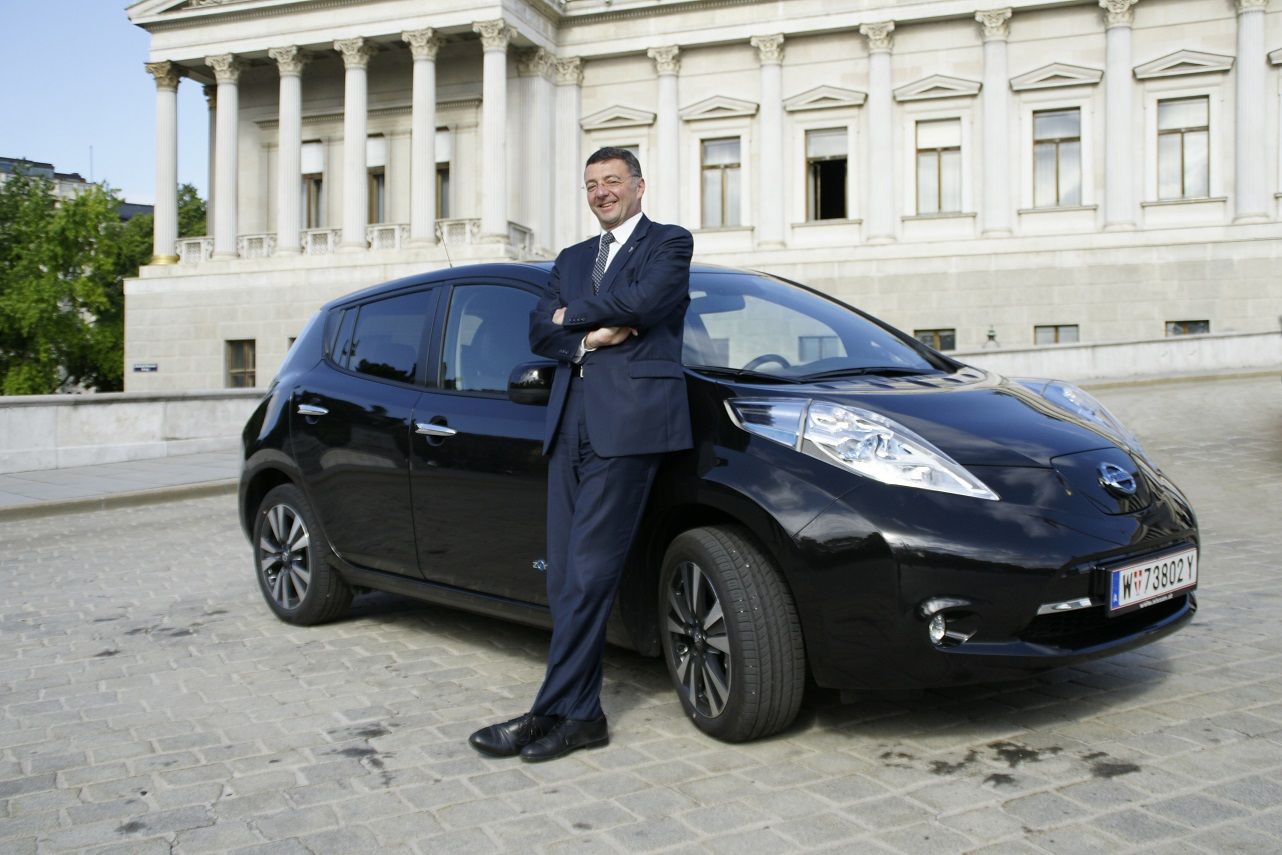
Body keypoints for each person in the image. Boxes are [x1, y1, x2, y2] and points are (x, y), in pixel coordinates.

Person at [468, 147, 693, 762]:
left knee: (592, 571)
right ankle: (584, 715)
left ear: (639, 187)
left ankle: (549, 710)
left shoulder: (669, 244)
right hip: (568, 423)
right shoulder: (569, 260)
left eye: (613, 181)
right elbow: (540, 331)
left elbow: (646, 305)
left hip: (630, 428)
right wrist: (590, 334)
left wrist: (577, 317)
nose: (601, 192)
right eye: (592, 184)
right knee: (565, 574)